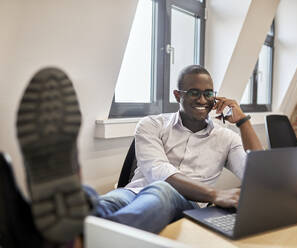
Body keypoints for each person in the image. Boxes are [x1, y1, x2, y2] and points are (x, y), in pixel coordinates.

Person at [1, 65, 262, 247]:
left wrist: (243, 122)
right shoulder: (151, 124)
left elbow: (258, 175)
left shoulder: (226, 138)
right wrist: (216, 194)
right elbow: (158, 169)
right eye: (194, 92)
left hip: (186, 206)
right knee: (96, 199)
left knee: (162, 191)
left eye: (209, 93)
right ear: (177, 95)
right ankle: (60, 235)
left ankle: (42, 232)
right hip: (134, 192)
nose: (203, 99)